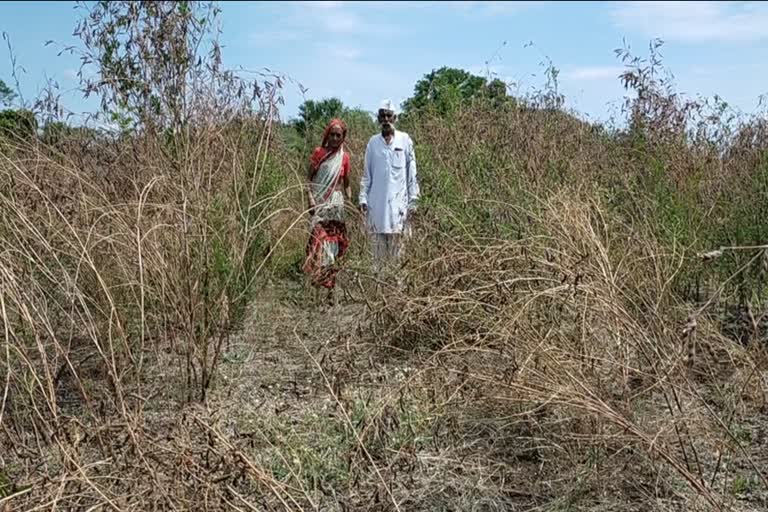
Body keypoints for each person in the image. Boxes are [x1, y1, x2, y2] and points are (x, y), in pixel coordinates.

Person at [359, 99, 420, 276]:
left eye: (389, 116)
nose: (386, 119)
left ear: (395, 118)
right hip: (376, 208)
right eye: (382, 116)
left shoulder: (405, 140)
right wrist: (363, 198)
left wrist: (414, 201)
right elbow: (366, 175)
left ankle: (398, 297)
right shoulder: (372, 143)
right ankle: (379, 298)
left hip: (399, 210)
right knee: (377, 260)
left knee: (399, 260)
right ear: (378, 119)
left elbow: (412, 174)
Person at [302, 118, 352, 304]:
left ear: (342, 138)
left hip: (336, 207)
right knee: (319, 243)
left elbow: (346, 183)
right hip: (319, 206)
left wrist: (350, 202)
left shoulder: (344, 158)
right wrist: (310, 199)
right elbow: (308, 180)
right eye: (332, 134)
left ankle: (330, 292)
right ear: (327, 135)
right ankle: (315, 291)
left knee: (334, 247)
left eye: (338, 136)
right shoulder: (318, 153)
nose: (334, 138)